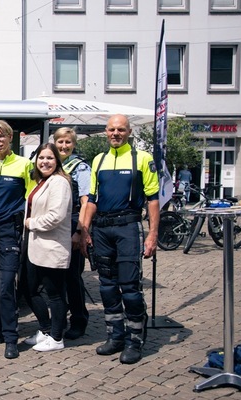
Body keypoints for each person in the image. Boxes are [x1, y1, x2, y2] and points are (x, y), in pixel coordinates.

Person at [81, 114, 159, 365]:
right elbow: (91, 199)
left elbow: (153, 199)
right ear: (106, 131)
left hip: (128, 226)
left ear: (129, 132)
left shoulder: (143, 159)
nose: (116, 133)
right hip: (102, 228)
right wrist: (84, 231)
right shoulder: (98, 160)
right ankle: (115, 336)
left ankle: (135, 339)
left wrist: (153, 234)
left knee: (130, 287)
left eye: (121, 130)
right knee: (106, 286)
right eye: (112, 129)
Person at [0, 120, 33, 359]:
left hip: (10, 230)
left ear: (11, 137)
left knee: (6, 285)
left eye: (0, 136)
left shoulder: (24, 164)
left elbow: (32, 197)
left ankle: (11, 337)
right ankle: (0, 330)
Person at [22, 143, 72, 352]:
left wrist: (31, 223)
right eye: (41, 158)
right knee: (27, 288)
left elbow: (57, 215)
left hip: (51, 247)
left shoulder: (59, 182)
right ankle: (45, 329)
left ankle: (57, 337)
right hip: (35, 246)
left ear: (57, 161)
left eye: (50, 158)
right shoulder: (42, 182)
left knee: (54, 293)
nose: (45, 162)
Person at [54, 127, 91, 340]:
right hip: (55, 226)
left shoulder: (80, 168)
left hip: (72, 224)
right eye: (60, 142)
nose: (64, 146)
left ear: (74, 144)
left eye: (68, 142)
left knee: (72, 277)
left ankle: (79, 319)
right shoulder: (50, 165)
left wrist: (80, 231)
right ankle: (59, 318)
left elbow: (86, 201)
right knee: (55, 276)